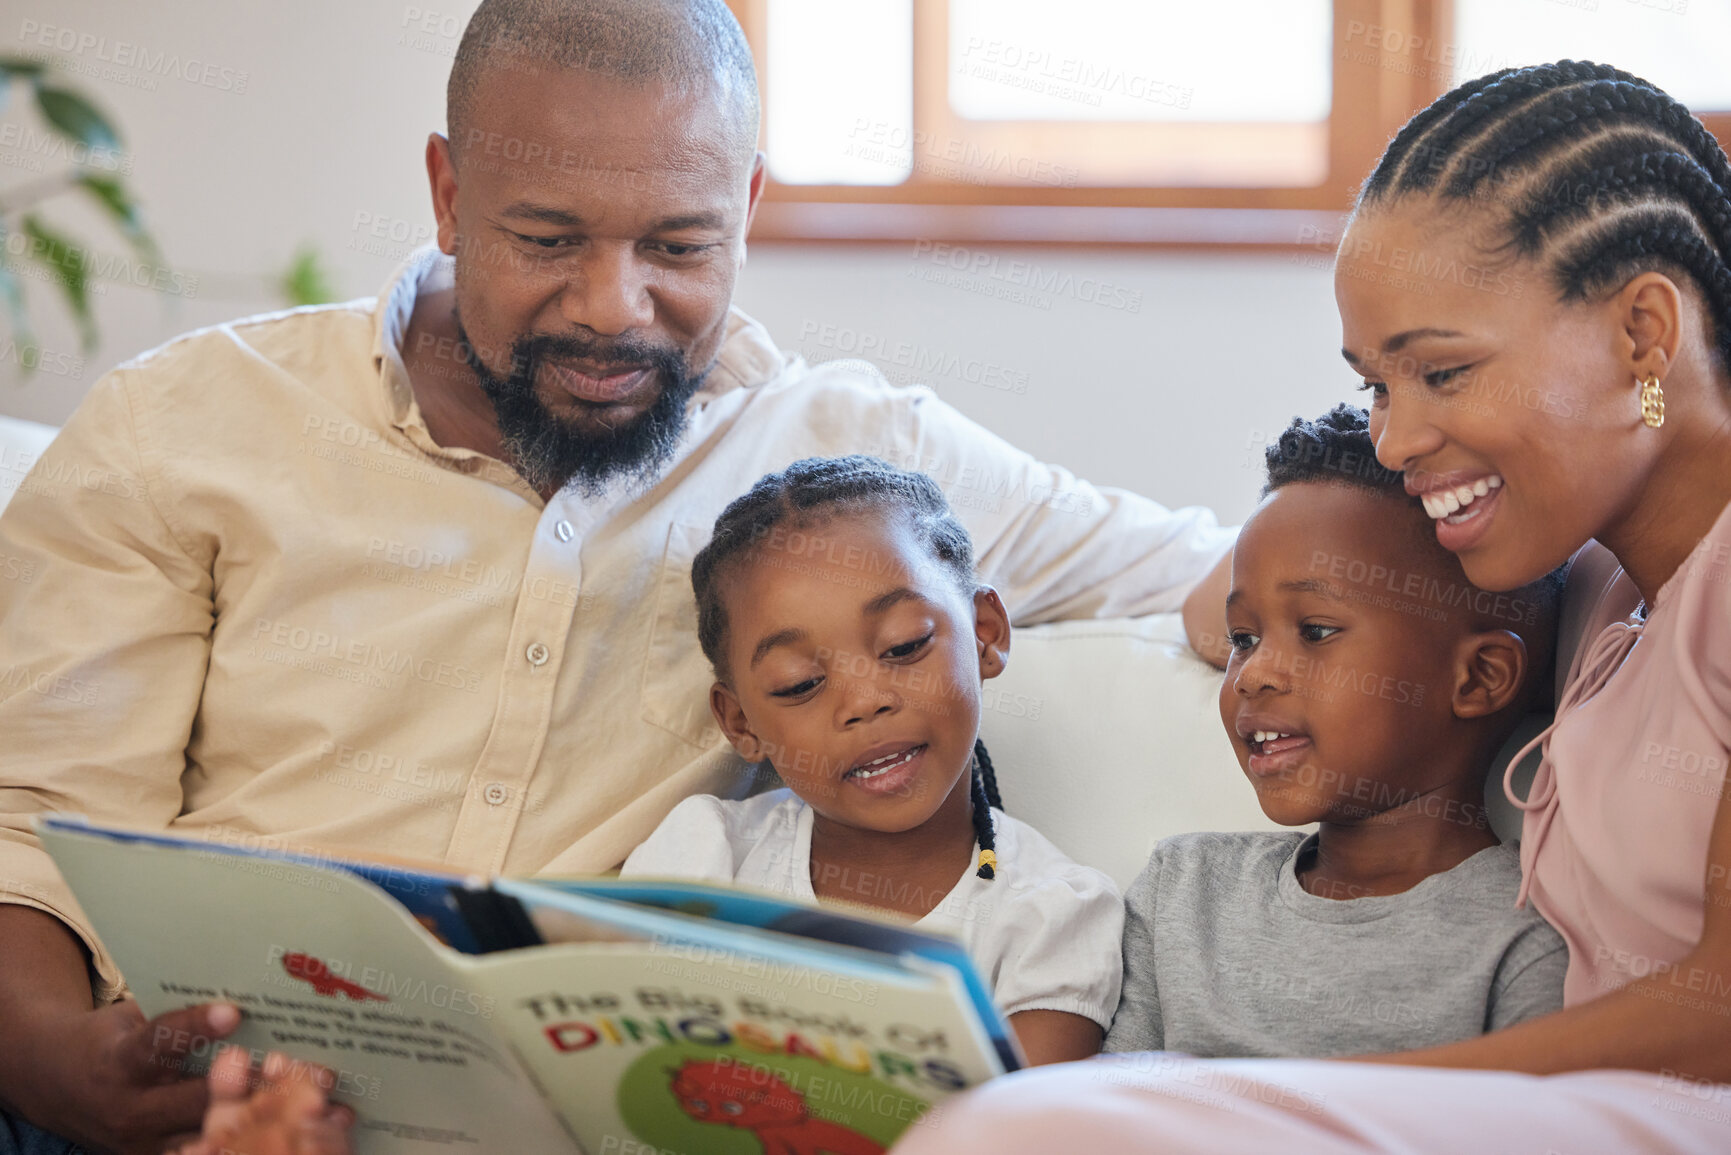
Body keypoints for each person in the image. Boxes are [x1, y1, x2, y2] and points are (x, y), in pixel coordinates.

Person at [0, 2, 1232, 1150]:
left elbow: (1217, 571)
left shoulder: (853, 463)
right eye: (546, 240)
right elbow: (27, 831)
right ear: (447, 191)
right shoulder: (187, 423)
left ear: (746, 205)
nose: (614, 308)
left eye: (680, 245)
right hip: (154, 1093)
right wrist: (61, 1068)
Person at [895, 60, 1731, 1153]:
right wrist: (1283, 621)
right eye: (1375, 387)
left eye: (1443, 372)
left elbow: (1716, 1015)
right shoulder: (1598, 587)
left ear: (1643, 338)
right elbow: (1230, 600)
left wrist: (1338, 1097)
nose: (1394, 440)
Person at [620, 455, 1123, 1067]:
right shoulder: (705, 858)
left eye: (904, 646)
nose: (864, 701)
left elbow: (1022, 1129)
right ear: (741, 723)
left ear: (985, 631)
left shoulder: (1050, 915)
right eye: (800, 683)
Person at [1106, 404, 1566, 1060]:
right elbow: (1097, 1108)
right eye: (1243, 637)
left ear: (1478, 679)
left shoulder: (1518, 942)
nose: (1252, 673)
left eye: (1315, 631)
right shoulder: (1184, 891)